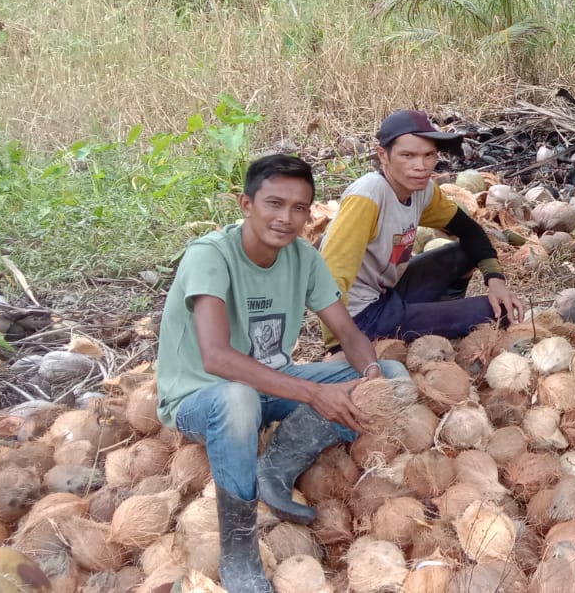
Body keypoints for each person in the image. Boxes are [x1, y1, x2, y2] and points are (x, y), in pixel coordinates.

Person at [156, 154, 410, 593]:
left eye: (299, 208)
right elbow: (216, 358)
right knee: (238, 397)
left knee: (394, 377)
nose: (286, 218)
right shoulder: (210, 255)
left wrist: (370, 374)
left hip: (271, 385)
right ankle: (240, 555)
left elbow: (348, 333)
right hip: (204, 397)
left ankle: (276, 467)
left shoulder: (303, 258)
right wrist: (314, 395)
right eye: (274, 203)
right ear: (246, 204)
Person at [321, 110, 527, 344]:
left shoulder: (423, 191)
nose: (420, 166)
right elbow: (329, 278)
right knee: (496, 313)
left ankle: (432, 319)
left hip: (388, 293)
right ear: (383, 156)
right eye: (407, 155)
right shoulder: (367, 198)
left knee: (465, 253)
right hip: (361, 318)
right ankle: (429, 323)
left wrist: (495, 280)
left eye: (429, 155)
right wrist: (339, 343)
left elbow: (470, 230)